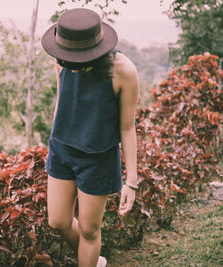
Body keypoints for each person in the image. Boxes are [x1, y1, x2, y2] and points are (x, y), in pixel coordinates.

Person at [41, 8, 139, 267]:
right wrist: (53, 144)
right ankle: (95, 259)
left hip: (98, 158)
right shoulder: (62, 59)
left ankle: (91, 259)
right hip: (62, 150)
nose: (70, 65)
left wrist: (131, 180)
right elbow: (62, 101)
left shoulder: (123, 71)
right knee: (57, 221)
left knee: (89, 230)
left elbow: (128, 127)